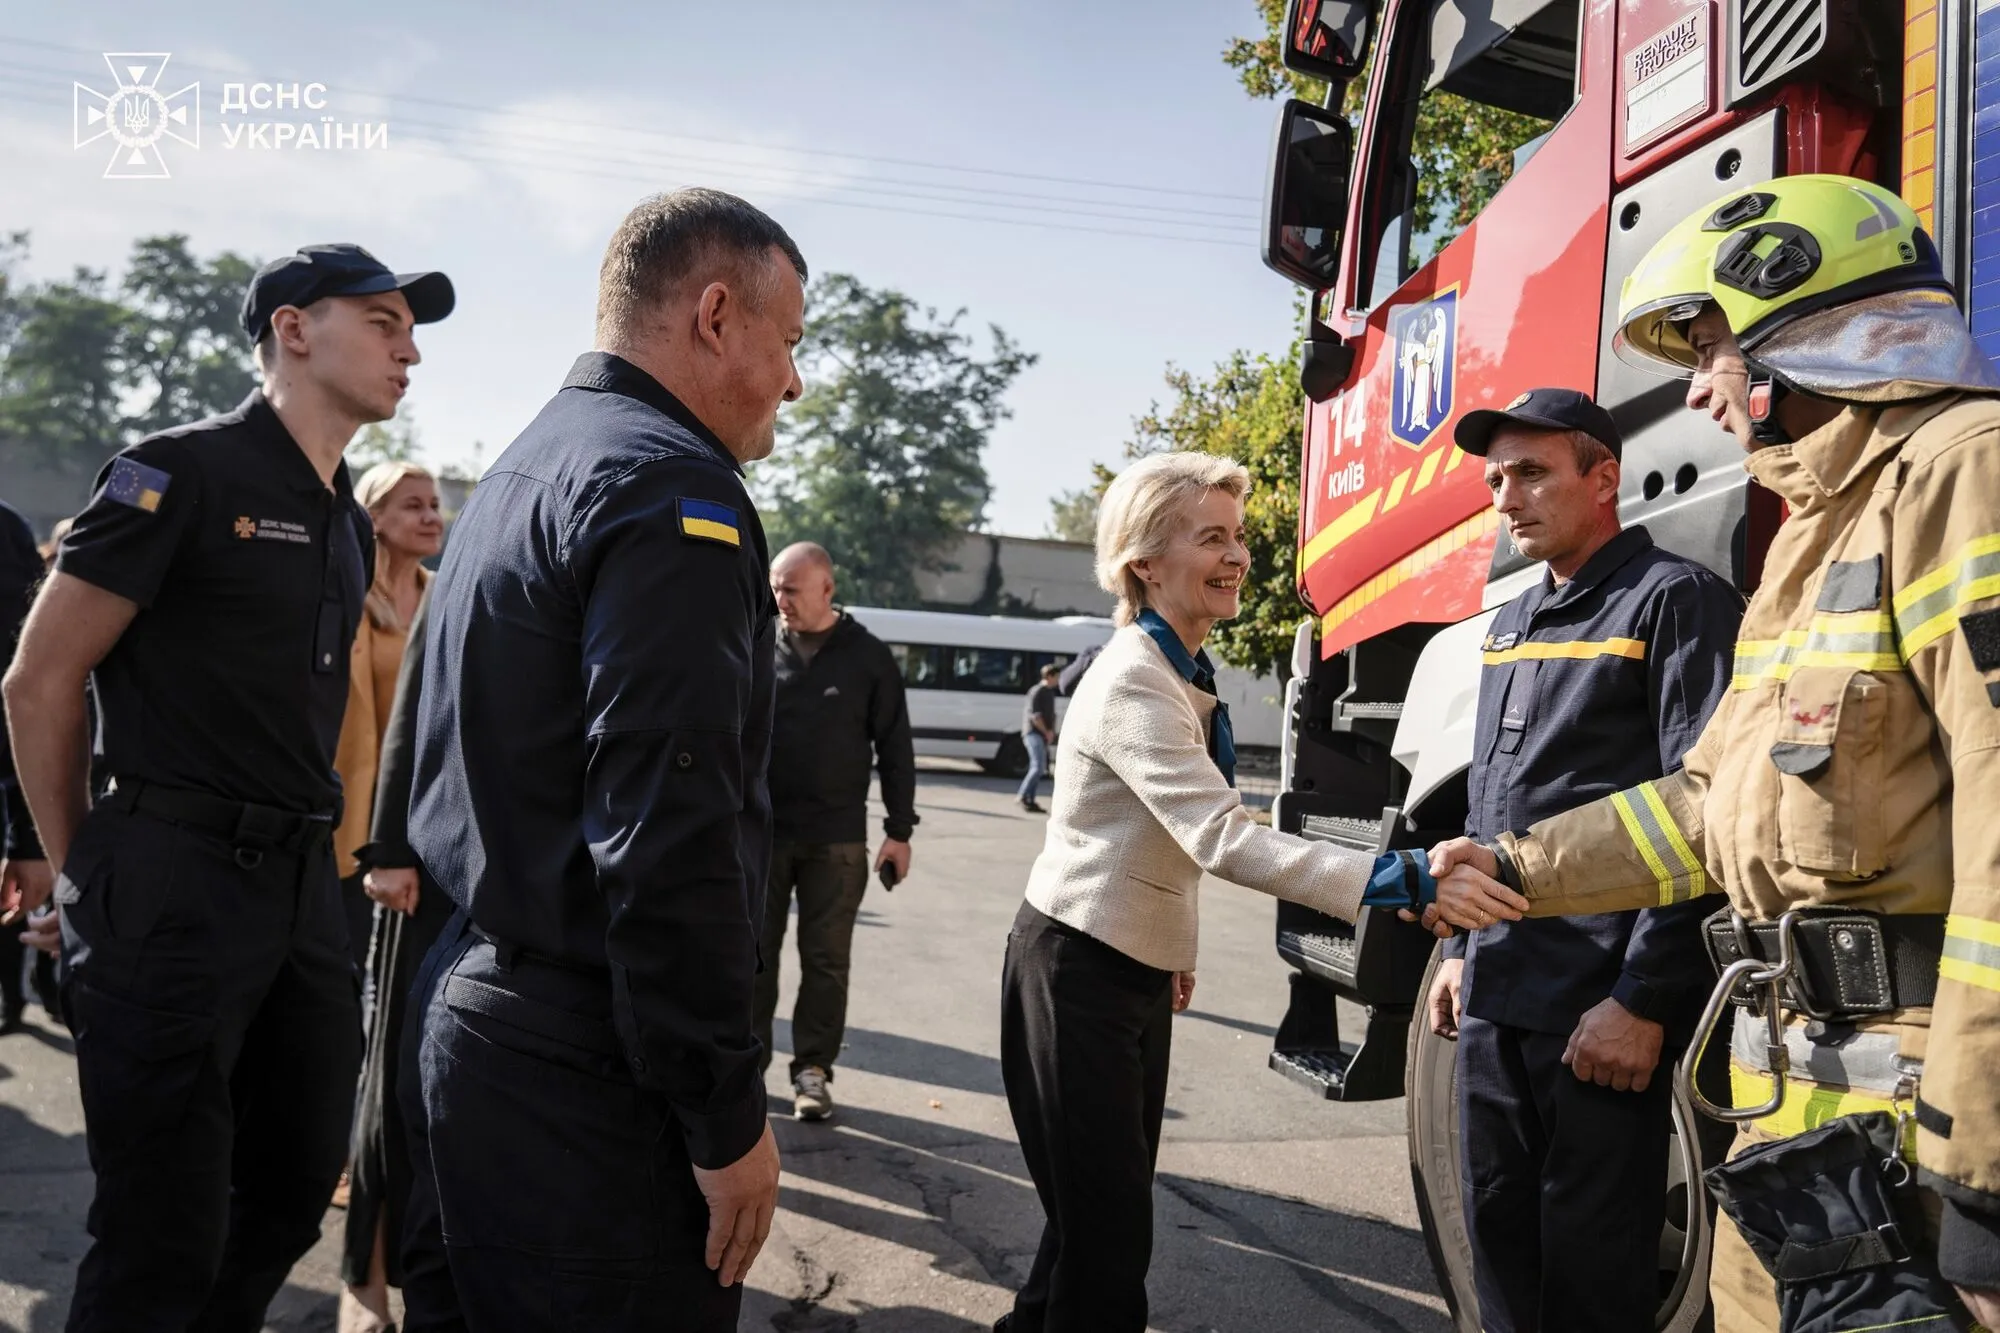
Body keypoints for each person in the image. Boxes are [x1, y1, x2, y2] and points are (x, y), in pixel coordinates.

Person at [1423, 175, 2000, 1329]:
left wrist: (1980, 1167)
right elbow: (1702, 802)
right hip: (1800, 1129)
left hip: (1916, 1140)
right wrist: (1509, 871)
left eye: (1710, 345)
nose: (1698, 386)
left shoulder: (1958, 468)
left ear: (1799, 319)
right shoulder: (1817, 523)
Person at [0, 241, 453, 1330]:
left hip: (305, 886)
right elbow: (39, 680)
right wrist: (82, 876)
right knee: (160, 1232)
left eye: (413, 329)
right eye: (383, 320)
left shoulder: (348, 516)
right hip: (169, 880)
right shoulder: (178, 470)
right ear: (293, 329)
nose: (410, 350)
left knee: (297, 1185)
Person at [405, 187, 802, 1330]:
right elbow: (669, 834)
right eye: (789, 342)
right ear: (716, 314)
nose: (792, 380)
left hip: (474, 1017)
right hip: (588, 1070)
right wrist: (724, 1116)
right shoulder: (670, 487)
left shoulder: (523, 471)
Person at [997, 450, 1460, 1333]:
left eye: (1239, 535)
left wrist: (1172, 953)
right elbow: (1221, 836)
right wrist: (1396, 874)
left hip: (1121, 967)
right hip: (1075, 969)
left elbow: (1162, 836)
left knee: (1089, 1229)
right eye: (1212, 538)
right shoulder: (1137, 675)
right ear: (1145, 563)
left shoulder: (1184, 668)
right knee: (1106, 1241)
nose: (1239, 555)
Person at [1433, 387, 1742, 1330]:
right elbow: (1494, 805)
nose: (1506, 497)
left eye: (1531, 472)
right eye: (1495, 479)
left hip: (1597, 1017)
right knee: (1500, 1242)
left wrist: (1644, 1000)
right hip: (1497, 996)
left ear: (1604, 477)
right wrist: (1455, 951)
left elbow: (1708, 814)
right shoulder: (1512, 621)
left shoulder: (1678, 602)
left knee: (1593, 1272)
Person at [756, 540, 917, 1122]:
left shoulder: (867, 657)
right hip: (762, 837)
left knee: (825, 962)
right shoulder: (757, 646)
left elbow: (896, 747)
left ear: (827, 588)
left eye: (790, 589)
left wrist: (899, 831)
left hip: (837, 840)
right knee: (754, 959)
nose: (780, 599)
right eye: (775, 586)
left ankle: (812, 1072)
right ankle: (746, 1077)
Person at [339, 590, 463, 1333]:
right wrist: (389, 846)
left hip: (512, 875)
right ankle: (366, 1274)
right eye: (410, 500)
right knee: (393, 1081)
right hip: (414, 860)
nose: (428, 513)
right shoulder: (460, 575)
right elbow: (411, 713)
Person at [332, 462, 442, 974]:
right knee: (346, 963)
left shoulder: (445, 598)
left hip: (419, 813)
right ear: (372, 518)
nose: (430, 518)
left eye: (435, 506)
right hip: (345, 811)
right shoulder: (344, 597)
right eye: (413, 506)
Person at [0, 498, 47, 1034]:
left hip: (6, 783)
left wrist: (27, 838)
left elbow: (23, 680)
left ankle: (13, 998)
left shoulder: (5, 530)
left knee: (8, 907)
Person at [1016, 663, 1060, 812]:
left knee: (1041, 768)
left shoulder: (1049, 692)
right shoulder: (1037, 691)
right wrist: (1046, 731)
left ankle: (1030, 799)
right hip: (1033, 733)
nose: (1058, 681)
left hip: (1042, 734)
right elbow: (1036, 716)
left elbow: (1051, 715)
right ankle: (1023, 794)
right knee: (1037, 766)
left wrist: (1051, 732)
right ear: (1049, 676)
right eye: (1056, 677)